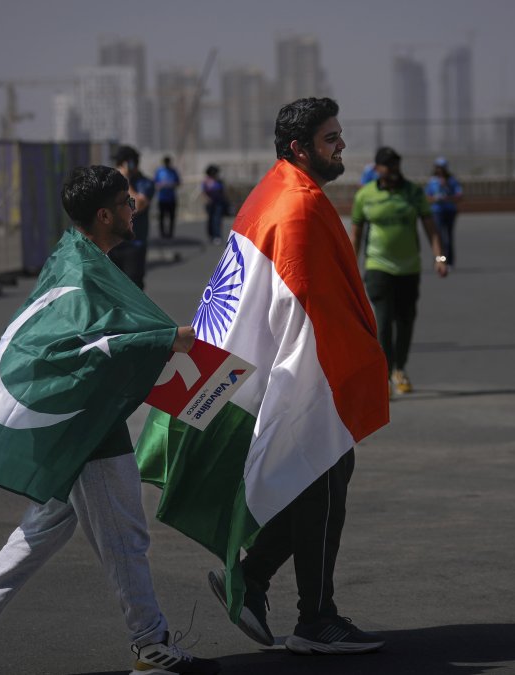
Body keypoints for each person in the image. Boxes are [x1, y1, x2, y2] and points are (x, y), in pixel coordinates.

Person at [0, 165, 220, 675]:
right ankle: (150, 645)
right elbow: (82, 350)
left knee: (44, 527)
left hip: (77, 419)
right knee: (125, 534)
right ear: (104, 215)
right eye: (126, 202)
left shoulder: (74, 255)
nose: (135, 207)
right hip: (84, 426)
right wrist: (163, 340)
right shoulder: (83, 273)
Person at [190, 97, 388, 655]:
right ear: (300, 148)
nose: (342, 145)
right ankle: (315, 619)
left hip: (279, 370)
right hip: (300, 379)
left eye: (340, 134)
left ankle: (252, 581)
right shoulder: (297, 206)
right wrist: (339, 383)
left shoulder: (274, 190)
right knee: (322, 482)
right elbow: (308, 310)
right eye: (331, 138)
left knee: (315, 481)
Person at [350, 146, 449, 396]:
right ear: (377, 169)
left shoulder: (413, 193)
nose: (393, 170)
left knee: (405, 321)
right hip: (378, 266)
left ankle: (399, 369)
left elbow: (431, 228)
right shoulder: (365, 196)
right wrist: (351, 265)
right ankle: (383, 376)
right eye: (387, 165)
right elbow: (357, 234)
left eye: (396, 165)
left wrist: (440, 257)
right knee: (383, 323)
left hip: (408, 268)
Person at [107, 145, 156, 289]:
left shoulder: (144, 183)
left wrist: (125, 182)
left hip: (134, 245)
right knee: (113, 290)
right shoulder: (111, 183)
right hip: (112, 245)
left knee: (133, 289)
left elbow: (137, 206)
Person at [425, 157, 463, 267]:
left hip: (449, 211)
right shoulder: (432, 181)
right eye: (438, 168)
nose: (440, 170)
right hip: (437, 211)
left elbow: (459, 195)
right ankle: (440, 260)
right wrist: (435, 199)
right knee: (439, 238)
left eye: (442, 168)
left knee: (448, 238)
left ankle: (449, 261)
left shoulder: (452, 180)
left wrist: (448, 197)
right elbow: (427, 197)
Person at [154, 155, 182, 239]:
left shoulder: (173, 171)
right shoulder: (159, 171)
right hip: (162, 198)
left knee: (172, 217)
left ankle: (170, 233)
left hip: (171, 198)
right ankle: (162, 233)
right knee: (162, 217)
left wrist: (171, 185)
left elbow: (178, 182)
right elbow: (155, 183)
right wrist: (161, 185)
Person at [201, 165, 228, 245]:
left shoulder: (219, 181)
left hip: (218, 203)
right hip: (210, 203)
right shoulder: (206, 181)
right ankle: (211, 235)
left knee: (217, 219)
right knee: (210, 220)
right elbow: (204, 191)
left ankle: (217, 235)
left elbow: (223, 192)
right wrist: (207, 199)